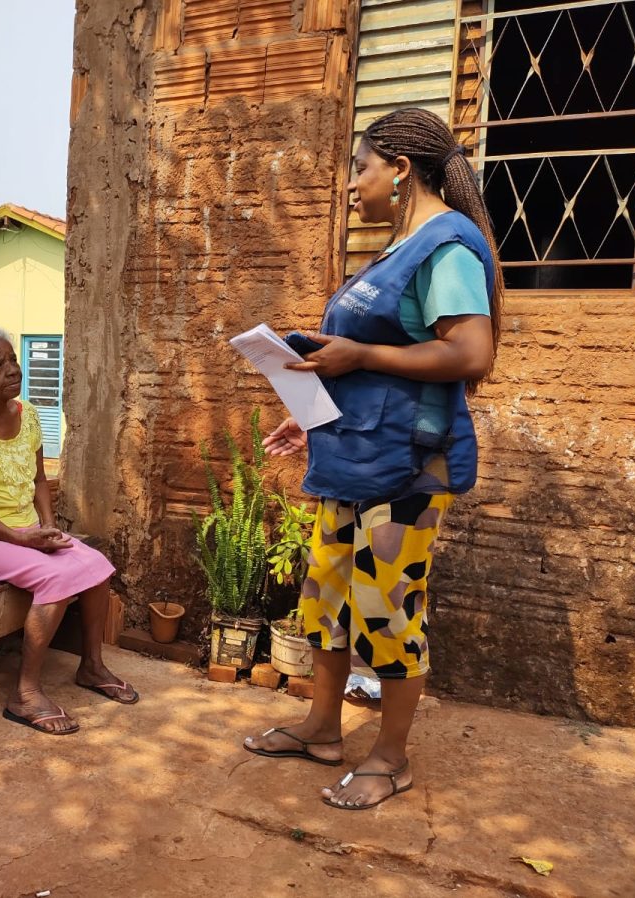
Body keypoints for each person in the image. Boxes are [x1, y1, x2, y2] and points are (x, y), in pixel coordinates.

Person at [241, 107, 504, 810]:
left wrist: (358, 353)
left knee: (387, 610)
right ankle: (322, 729)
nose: (353, 184)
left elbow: (469, 354)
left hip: (410, 465)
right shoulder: (395, 254)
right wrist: (312, 419)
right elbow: (368, 370)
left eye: (360, 168)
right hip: (351, 455)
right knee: (323, 597)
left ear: (400, 169)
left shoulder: (446, 246)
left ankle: (391, 757)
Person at [0, 325, 137, 735]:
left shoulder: (27, 415)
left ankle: (92, 667)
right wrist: (19, 538)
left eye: (13, 360)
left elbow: (40, 480)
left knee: (97, 566)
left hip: (25, 531)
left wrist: (46, 525)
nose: (13, 370)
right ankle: (24, 695)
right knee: (58, 577)